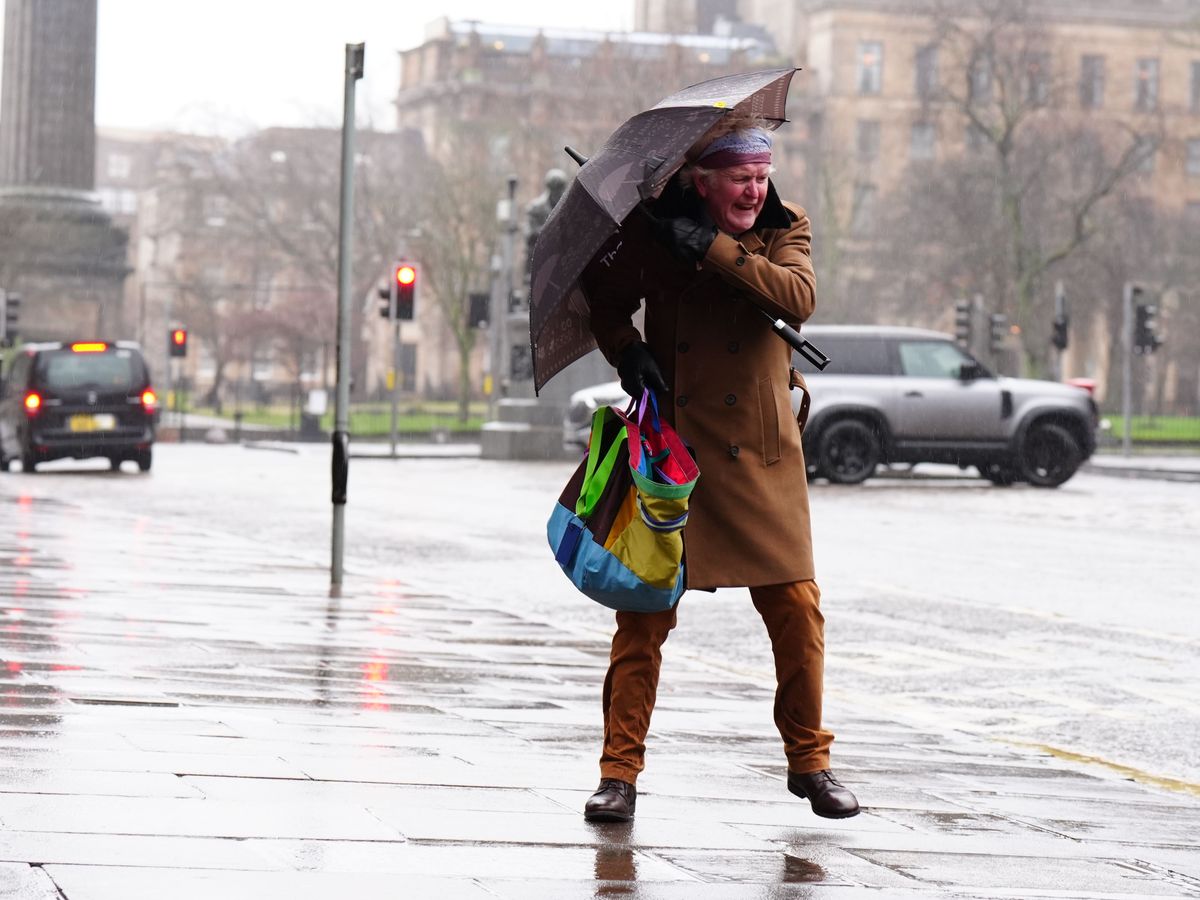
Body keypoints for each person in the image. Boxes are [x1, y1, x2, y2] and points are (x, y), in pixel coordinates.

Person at [578, 115, 859, 823]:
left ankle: (811, 764)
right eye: (739, 178)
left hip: (763, 454)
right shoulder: (652, 230)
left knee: (797, 609)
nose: (753, 189)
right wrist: (626, 349)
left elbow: (796, 298)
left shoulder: (786, 227)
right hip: (679, 453)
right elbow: (604, 302)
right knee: (641, 619)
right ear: (700, 181)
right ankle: (618, 774)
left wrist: (712, 248)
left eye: (761, 176)